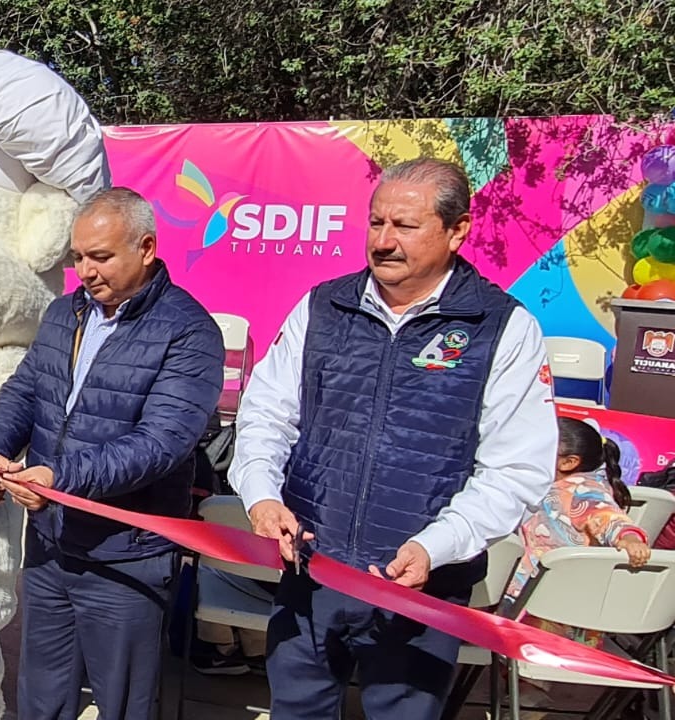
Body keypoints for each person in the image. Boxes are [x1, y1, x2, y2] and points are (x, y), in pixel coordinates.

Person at [228, 158, 556, 720]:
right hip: (311, 571)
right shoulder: (322, 308)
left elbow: (515, 470)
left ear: (457, 231)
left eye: (405, 226)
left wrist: (437, 545)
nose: (384, 241)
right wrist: (261, 495)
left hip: (419, 588)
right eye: (376, 223)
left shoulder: (502, 328)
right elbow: (264, 415)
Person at [0, 188, 226, 719]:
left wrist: (58, 478)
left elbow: (160, 444)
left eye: (101, 257)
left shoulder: (189, 331)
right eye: (78, 256)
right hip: (48, 545)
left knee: (124, 704)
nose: (85, 271)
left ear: (147, 248)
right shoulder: (63, 314)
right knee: (41, 697)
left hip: (125, 555)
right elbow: (26, 390)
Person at [505, 417, 649, 648]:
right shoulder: (548, 484)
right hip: (535, 603)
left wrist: (629, 538)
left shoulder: (584, 489)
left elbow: (608, 517)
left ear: (569, 462)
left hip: (554, 616)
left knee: (529, 675)